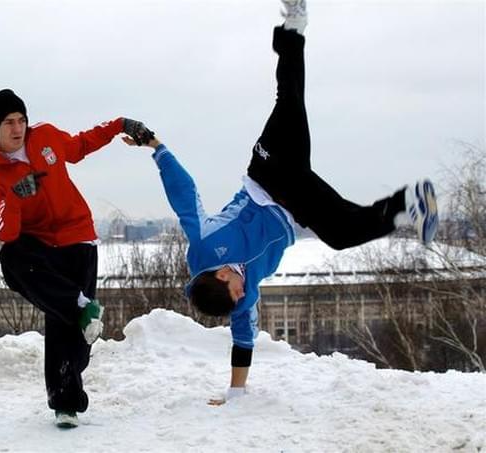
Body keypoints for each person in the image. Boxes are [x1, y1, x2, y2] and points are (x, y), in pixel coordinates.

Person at [122, 0, 438, 404]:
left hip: (266, 178)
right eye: (241, 295)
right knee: (341, 228)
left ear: (221, 276)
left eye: (237, 291)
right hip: (292, 206)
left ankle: (293, 27)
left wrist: (155, 145)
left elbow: (184, 195)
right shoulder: (240, 293)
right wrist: (236, 393)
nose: (245, 293)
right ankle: (410, 202)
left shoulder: (204, 245)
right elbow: (242, 337)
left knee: (289, 102)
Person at [0, 89, 148, 427]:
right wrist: (14, 196)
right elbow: (4, 232)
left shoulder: (47, 137)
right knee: (12, 259)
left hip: (78, 237)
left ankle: (68, 390)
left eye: (21, 120)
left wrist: (118, 125)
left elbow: (81, 145)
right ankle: (65, 397)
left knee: (72, 327)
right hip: (38, 245)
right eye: (9, 122)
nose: (18, 128)